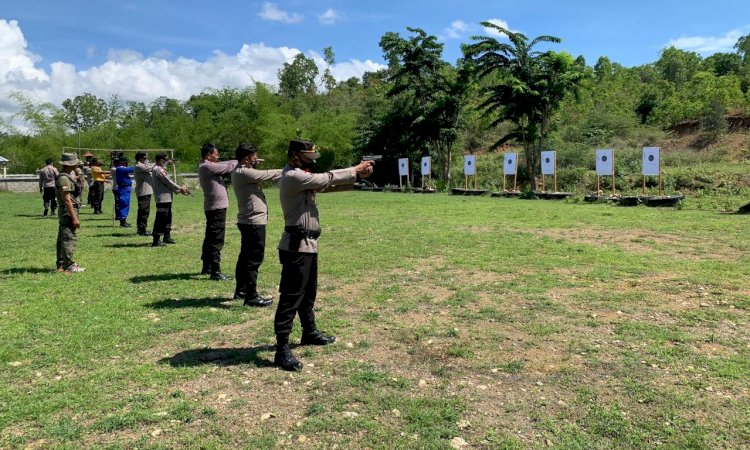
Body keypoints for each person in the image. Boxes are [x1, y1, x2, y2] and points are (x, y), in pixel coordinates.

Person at [273, 139, 374, 371]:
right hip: (296, 246)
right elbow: (325, 179)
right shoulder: (292, 176)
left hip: (308, 244)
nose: (311, 162)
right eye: (308, 157)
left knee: (308, 293)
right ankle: (281, 348)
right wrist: (354, 170)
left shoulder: (302, 177)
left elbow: (327, 186)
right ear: (295, 155)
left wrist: (358, 177)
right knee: (291, 298)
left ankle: (309, 332)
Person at [231, 143, 282, 306]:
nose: (256, 158)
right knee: (253, 259)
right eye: (254, 156)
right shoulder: (245, 172)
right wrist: (288, 170)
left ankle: (242, 290)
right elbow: (267, 175)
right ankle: (251, 296)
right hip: (253, 221)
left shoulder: (241, 170)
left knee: (245, 257)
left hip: (248, 220)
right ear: (246, 158)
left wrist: (252, 162)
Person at [198, 143, 238, 280]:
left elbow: (225, 163)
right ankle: (215, 271)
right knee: (216, 238)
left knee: (210, 237)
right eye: (216, 154)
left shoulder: (207, 165)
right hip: (216, 208)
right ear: (208, 155)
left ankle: (207, 266)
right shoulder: (207, 166)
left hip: (215, 207)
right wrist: (241, 160)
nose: (218, 156)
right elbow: (227, 166)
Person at [151, 152, 190, 247]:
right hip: (162, 198)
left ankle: (166, 236)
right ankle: (156, 240)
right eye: (165, 160)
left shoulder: (160, 169)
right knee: (161, 218)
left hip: (166, 197)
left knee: (167, 217)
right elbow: (168, 182)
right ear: (160, 160)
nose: (167, 162)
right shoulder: (158, 170)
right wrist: (180, 189)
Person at [55, 153, 84, 273]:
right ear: (70, 164)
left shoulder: (67, 177)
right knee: (68, 237)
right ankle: (69, 265)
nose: (78, 164)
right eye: (76, 162)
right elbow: (67, 200)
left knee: (63, 237)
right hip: (68, 212)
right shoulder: (64, 179)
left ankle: (61, 263)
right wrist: (74, 218)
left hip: (67, 211)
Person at [134, 151, 154, 236]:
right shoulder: (139, 166)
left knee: (144, 211)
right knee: (144, 211)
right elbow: (151, 168)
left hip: (146, 191)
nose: (146, 159)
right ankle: (142, 230)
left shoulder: (143, 165)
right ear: (140, 158)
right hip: (143, 192)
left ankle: (141, 229)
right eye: (145, 158)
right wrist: (157, 163)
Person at [114, 157, 134, 227]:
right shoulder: (120, 168)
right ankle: (123, 221)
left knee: (126, 203)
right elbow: (131, 169)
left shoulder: (121, 168)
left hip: (125, 187)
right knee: (124, 203)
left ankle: (124, 219)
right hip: (123, 188)